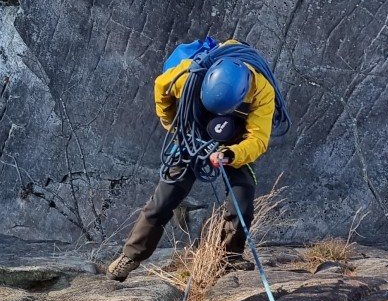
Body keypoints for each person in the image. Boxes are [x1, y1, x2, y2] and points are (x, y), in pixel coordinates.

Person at [107, 37, 282, 281]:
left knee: (242, 197)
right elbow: (161, 86)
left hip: (236, 137)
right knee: (166, 197)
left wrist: (231, 154)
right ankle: (131, 256)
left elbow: (258, 139)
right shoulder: (190, 74)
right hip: (195, 130)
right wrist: (173, 125)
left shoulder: (261, 89)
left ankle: (230, 258)